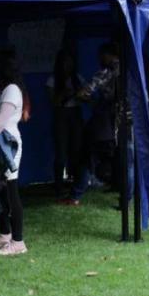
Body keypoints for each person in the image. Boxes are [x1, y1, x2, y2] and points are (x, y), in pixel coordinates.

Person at [60, 42, 121, 205]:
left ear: (107, 54)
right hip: (124, 121)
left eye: (102, 55)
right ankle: (126, 197)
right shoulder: (130, 71)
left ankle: (75, 196)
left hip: (103, 123)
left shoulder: (106, 72)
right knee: (122, 159)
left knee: (86, 158)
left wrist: (89, 99)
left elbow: (84, 92)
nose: (100, 59)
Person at [0, 51, 27, 256]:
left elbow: (0, 121)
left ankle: (18, 241)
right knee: (0, 190)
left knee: (10, 191)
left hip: (7, 147)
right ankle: (4, 234)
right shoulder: (0, 88)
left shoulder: (11, 89)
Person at [46, 48, 85, 198]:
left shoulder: (78, 78)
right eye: (65, 62)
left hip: (75, 114)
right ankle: (59, 186)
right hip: (61, 115)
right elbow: (53, 101)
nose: (68, 65)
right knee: (61, 152)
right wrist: (66, 93)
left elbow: (87, 98)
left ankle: (75, 183)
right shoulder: (53, 80)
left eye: (70, 62)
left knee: (76, 150)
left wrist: (81, 93)